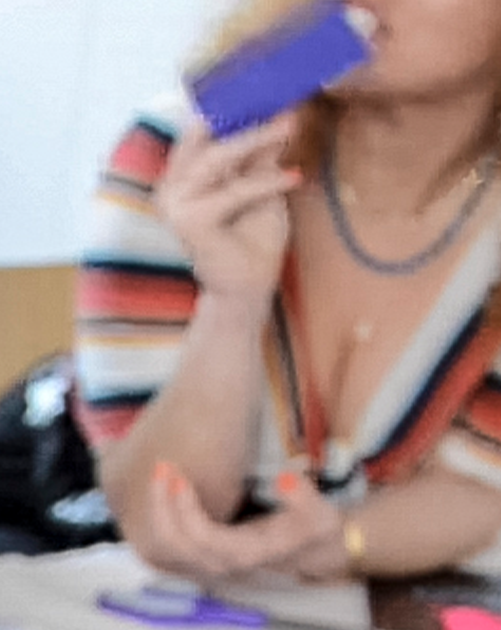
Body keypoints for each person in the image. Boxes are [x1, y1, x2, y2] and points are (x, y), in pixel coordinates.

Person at [76, 0, 501, 585]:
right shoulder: (192, 151)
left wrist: (344, 541)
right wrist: (233, 301)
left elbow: (483, 491)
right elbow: (163, 525)